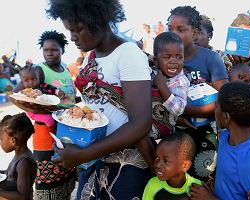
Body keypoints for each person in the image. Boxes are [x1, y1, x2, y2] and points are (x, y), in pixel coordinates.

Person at [47, 0, 152, 199]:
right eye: (69, 30)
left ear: (98, 19)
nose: (72, 37)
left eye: (78, 29)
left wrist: (83, 154)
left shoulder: (128, 54)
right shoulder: (91, 57)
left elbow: (141, 123)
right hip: (95, 159)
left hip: (125, 163)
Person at [13, 30, 76, 200]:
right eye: (46, 49)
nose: (49, 52)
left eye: (54, 49)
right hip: (45, 128)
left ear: (63, 50)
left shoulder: (65, 69)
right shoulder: (38, 69)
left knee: (66, 169)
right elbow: (15, 94)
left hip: (66, 125)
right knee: (47, 171)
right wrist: (34, 112)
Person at [167, 5, 228, 182]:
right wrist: (176, 116)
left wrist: (187, 110)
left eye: (180, 29)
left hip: (205, 132)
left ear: (194, 33)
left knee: (202, 179)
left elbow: (224, 99)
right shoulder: (165, 59)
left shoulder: (210, 58)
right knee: (177, 180)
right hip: (174, 130)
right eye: (170, 29)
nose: (173, 34)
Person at [190, 82, 250, 200]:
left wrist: (209, 198)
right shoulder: (226, 137)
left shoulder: (249, 161)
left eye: (216, 106)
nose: (214, 110)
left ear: (226, 117)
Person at [137, 31, 190, 172]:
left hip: (164, 136)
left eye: (179, 57)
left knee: (161, 163)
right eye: (167, 57)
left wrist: (162, 87)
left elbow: (179, 109)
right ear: (156, 60)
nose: (174, 61)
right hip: (147, 128)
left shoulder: (180, 81)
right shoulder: (154, 71)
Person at [142, 131, 201, 199]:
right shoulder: (153, 185)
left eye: (165, 161)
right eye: (157, 157)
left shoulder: (197, 188)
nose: (158, 165)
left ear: (185, 165)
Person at [0, 113, 36, 200]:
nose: (0, 143)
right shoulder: (20, 155)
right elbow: (12, 175)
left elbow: (22, 196)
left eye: (1, 139)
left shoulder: (24, 163)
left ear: (13, 140)